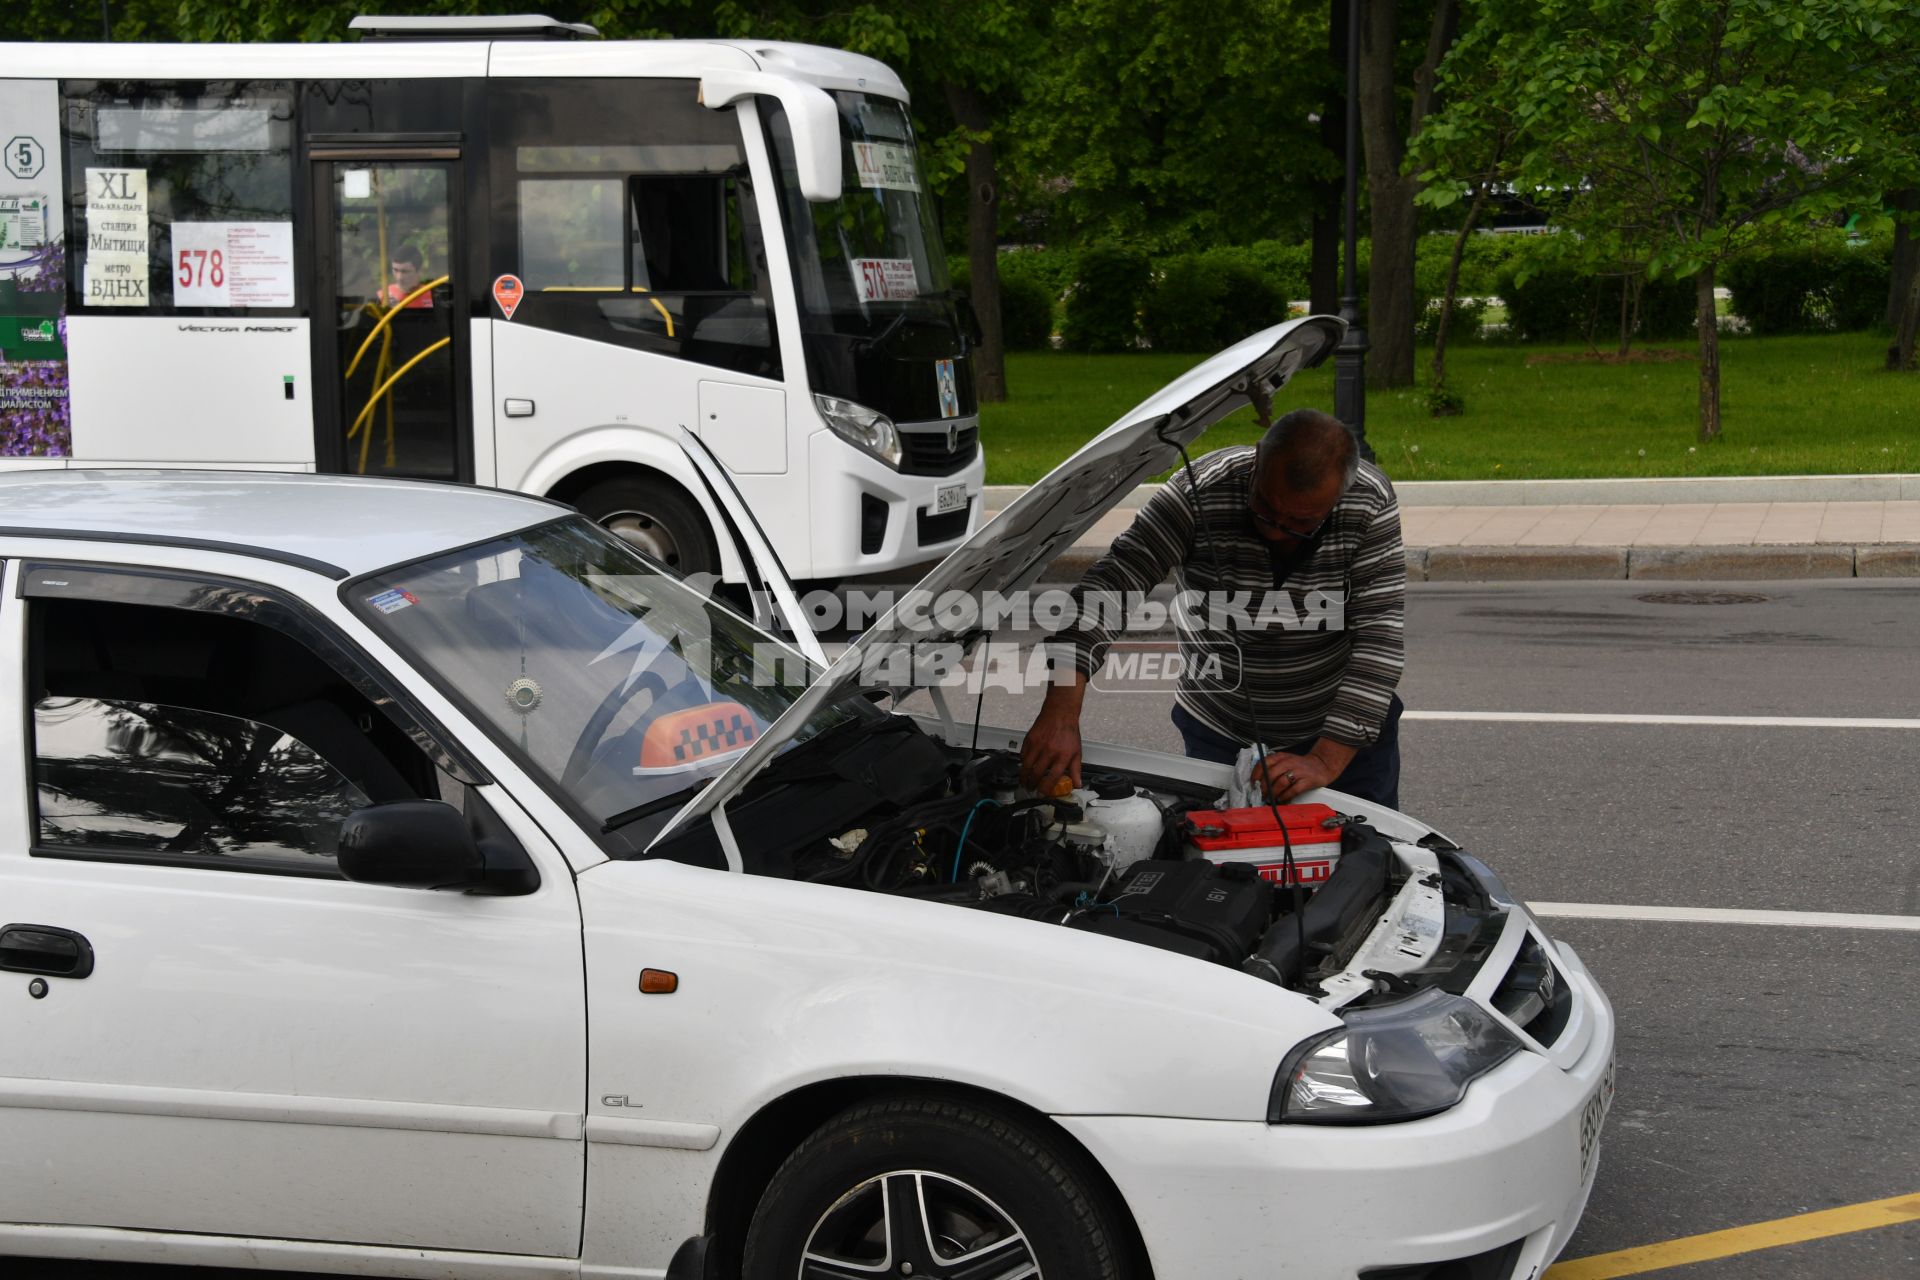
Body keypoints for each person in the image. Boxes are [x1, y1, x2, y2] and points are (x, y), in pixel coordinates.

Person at [1020, 408, 1407, 808]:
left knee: (1367, 858)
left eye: (1301, 523)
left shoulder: (1368, 501)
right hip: (1220, 728)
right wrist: (1060, 712)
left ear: (1337, 499)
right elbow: (1111, 588)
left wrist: (1325, 760)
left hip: (1339, 732)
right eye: (1265, 508)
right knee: (1223, 863)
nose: (1275, 530)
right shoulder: (1198, 492)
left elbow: (1379, 640)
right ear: (1258, 459)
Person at [383, 244, 433, 310]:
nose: (399, 278)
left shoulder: (431, 297)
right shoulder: (383, 296)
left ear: (420, 271)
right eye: (395, 270)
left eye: (405, 272)